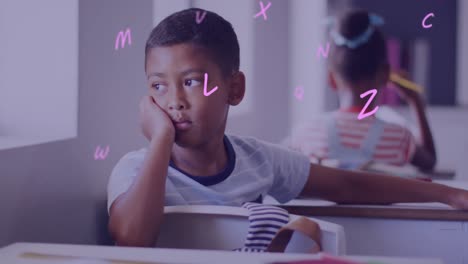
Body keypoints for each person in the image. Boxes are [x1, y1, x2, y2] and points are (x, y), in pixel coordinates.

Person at [107, 8, 468, 247]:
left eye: (190, 82)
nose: (174, 101)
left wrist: (445, 195)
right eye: (158, 86)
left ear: (234, 88)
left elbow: (348, 184)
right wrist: (161, 140)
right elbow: (132, 239)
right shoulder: (135, 170)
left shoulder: (260, 160)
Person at [286, 10, 436, 171]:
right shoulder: (399, 138)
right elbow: (430, 161)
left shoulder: (306, 133)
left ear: (331, 78)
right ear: (385, 74)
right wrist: (416, 102)